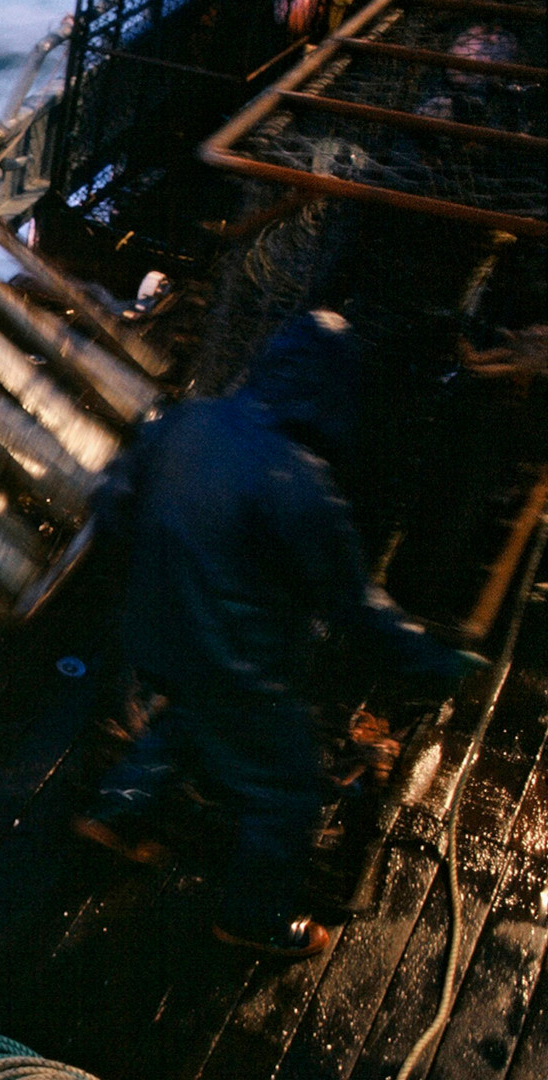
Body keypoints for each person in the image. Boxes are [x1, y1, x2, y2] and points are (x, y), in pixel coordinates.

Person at [75, 310, 478, 958]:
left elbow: (113, 503)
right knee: (286, 792)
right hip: (235, 664)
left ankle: (116, 808)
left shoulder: (187, 420)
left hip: (152, 632)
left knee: (190, 713)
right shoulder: (300, 483)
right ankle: (254, 919)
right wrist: (436, 660)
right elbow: (354, 606)